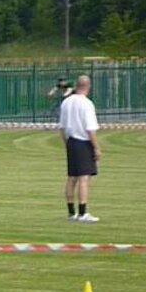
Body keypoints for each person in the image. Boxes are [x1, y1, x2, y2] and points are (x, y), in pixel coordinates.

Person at [58, 75, 101, 223]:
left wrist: (66, 143)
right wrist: (96, 148)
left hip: (71, 141)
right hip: (83, 142)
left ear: (76, 86)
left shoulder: (66, 102)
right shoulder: (87, 104)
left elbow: (62, 128)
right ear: (88, 87)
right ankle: (83, 213)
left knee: (72, 178)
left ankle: (71, 213)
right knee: (84, 178)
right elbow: (90, 129)